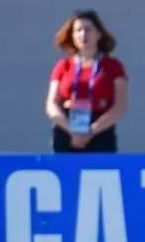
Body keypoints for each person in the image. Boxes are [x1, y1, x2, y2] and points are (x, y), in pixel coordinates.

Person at [45, 10, 128, 153]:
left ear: (99, 34)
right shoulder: (63, 66)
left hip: (100, 129)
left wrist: (92, 131)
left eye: (88, 29)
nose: (83, 34)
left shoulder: (113, 66)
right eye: (78, 30)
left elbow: (120, 106)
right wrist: (71, 130)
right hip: (67, 128)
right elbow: (51, 104)